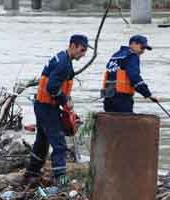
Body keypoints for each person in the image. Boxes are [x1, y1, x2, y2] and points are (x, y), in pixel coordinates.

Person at [24, 34, 90, 187]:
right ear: (73, 46)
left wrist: (67, 102)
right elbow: (52, 87)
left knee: (42, 142)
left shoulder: (62, 58)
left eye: (85, 51)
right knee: (59, 145)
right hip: (47, 108)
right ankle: (62, 182)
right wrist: (65, 101)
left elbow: (59, 86)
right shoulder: (63, 64)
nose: (83, 54)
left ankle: (30, 174)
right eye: (82, 50)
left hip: (42, 105)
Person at [101, 35, 158, 113]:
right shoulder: (132, 56)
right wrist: (148, 94)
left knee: (111, 121)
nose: (143, 51)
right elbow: (134, 77)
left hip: (108, 98)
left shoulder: (116, 56)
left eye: (145, 49)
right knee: (125, 123)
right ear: (133, 44)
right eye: (142, 47)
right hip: (122, 99)